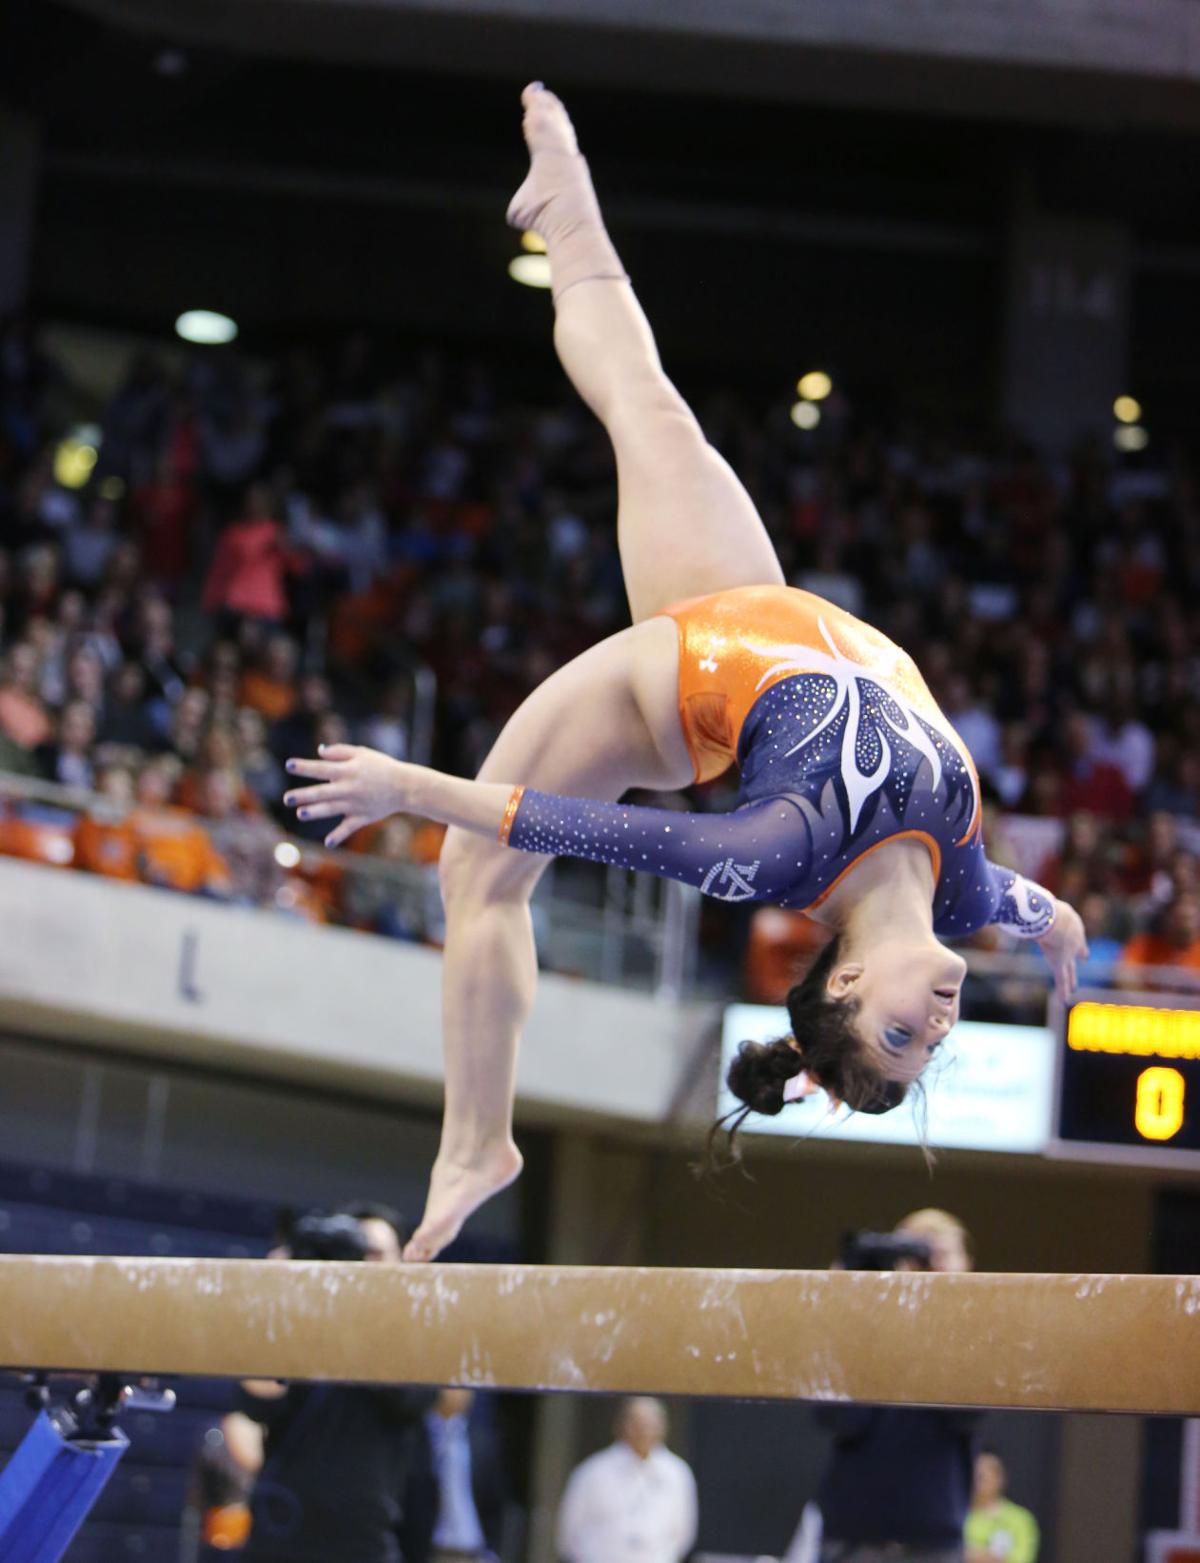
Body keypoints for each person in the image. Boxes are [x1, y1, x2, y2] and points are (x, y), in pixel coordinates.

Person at [283, 84, 1088, 1263]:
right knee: (645, 401)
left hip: (668, 688)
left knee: (481, 873)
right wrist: (1056, 917)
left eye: (902, 1037)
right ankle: (567, 211)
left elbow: (564, 824)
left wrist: (412, 785)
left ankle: (475, 1144)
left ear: (853, 981)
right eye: (932, 1050)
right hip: (752, 611)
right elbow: (1020, 903)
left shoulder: (779, 855)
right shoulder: (968, 894)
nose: (940, 1030)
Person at [222, 1204, 436, 1563]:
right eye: (354, 1253)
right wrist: (275, 1293)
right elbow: (253, 1402)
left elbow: (412, 1398)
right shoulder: (298, 1327)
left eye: (375, 1254)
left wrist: (354, 1310)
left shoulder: (412, 1338)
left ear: (402, 1263)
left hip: (363, 1544)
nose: (364, 1265)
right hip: (278, 1538)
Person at [812, 1210, 981, 1563]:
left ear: (967, 1263)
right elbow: (837, 1419)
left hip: (932, 1534)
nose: (927, 1264)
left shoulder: (974, 1332)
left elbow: (967, 1412)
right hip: (855, 1530)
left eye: (942, 1255)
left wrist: (940, 1305)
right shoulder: (863, 1325)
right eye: (916, 1254)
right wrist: (845, 1302)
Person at [555, 1397, 697, 1563]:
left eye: (650, 1423)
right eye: (637, 1422)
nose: (644, 1430)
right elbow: (568, 1532)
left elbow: (683, 1534)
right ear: (621, 1425)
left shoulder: (677, 1472)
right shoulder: (593, 1471)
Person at [399, 1388, 508, 1563]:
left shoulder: (482, 1440)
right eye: (451, 1386)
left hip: (473, 1552)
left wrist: (492, 1552)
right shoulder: (413, 1437)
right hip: (429, 1552)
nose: (457, 1393)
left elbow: (495, 1504)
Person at [964, 1451, 1039, 1563]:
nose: (975, 1482)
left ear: (999, 1478)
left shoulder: (1020, 1519)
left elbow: (1020, 1559)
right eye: (971, 1476)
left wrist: (973, 1555)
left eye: (981, 1477)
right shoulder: (957, 1516)